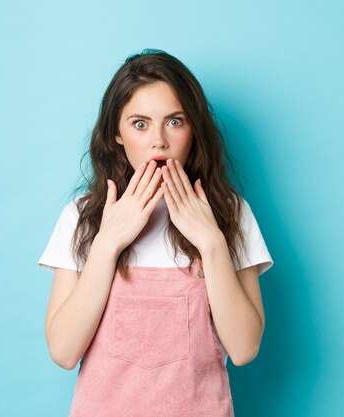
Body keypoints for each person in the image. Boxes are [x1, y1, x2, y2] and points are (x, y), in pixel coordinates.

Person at [37, 48, 274, 417]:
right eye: (140, 123)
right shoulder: (83, 216)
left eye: (175, 121)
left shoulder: (231, 213)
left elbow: (244, 349)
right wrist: (109, 242)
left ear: (194, 128)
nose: (159, 140)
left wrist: (211, 242)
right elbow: (64, 352)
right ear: (116, 133)